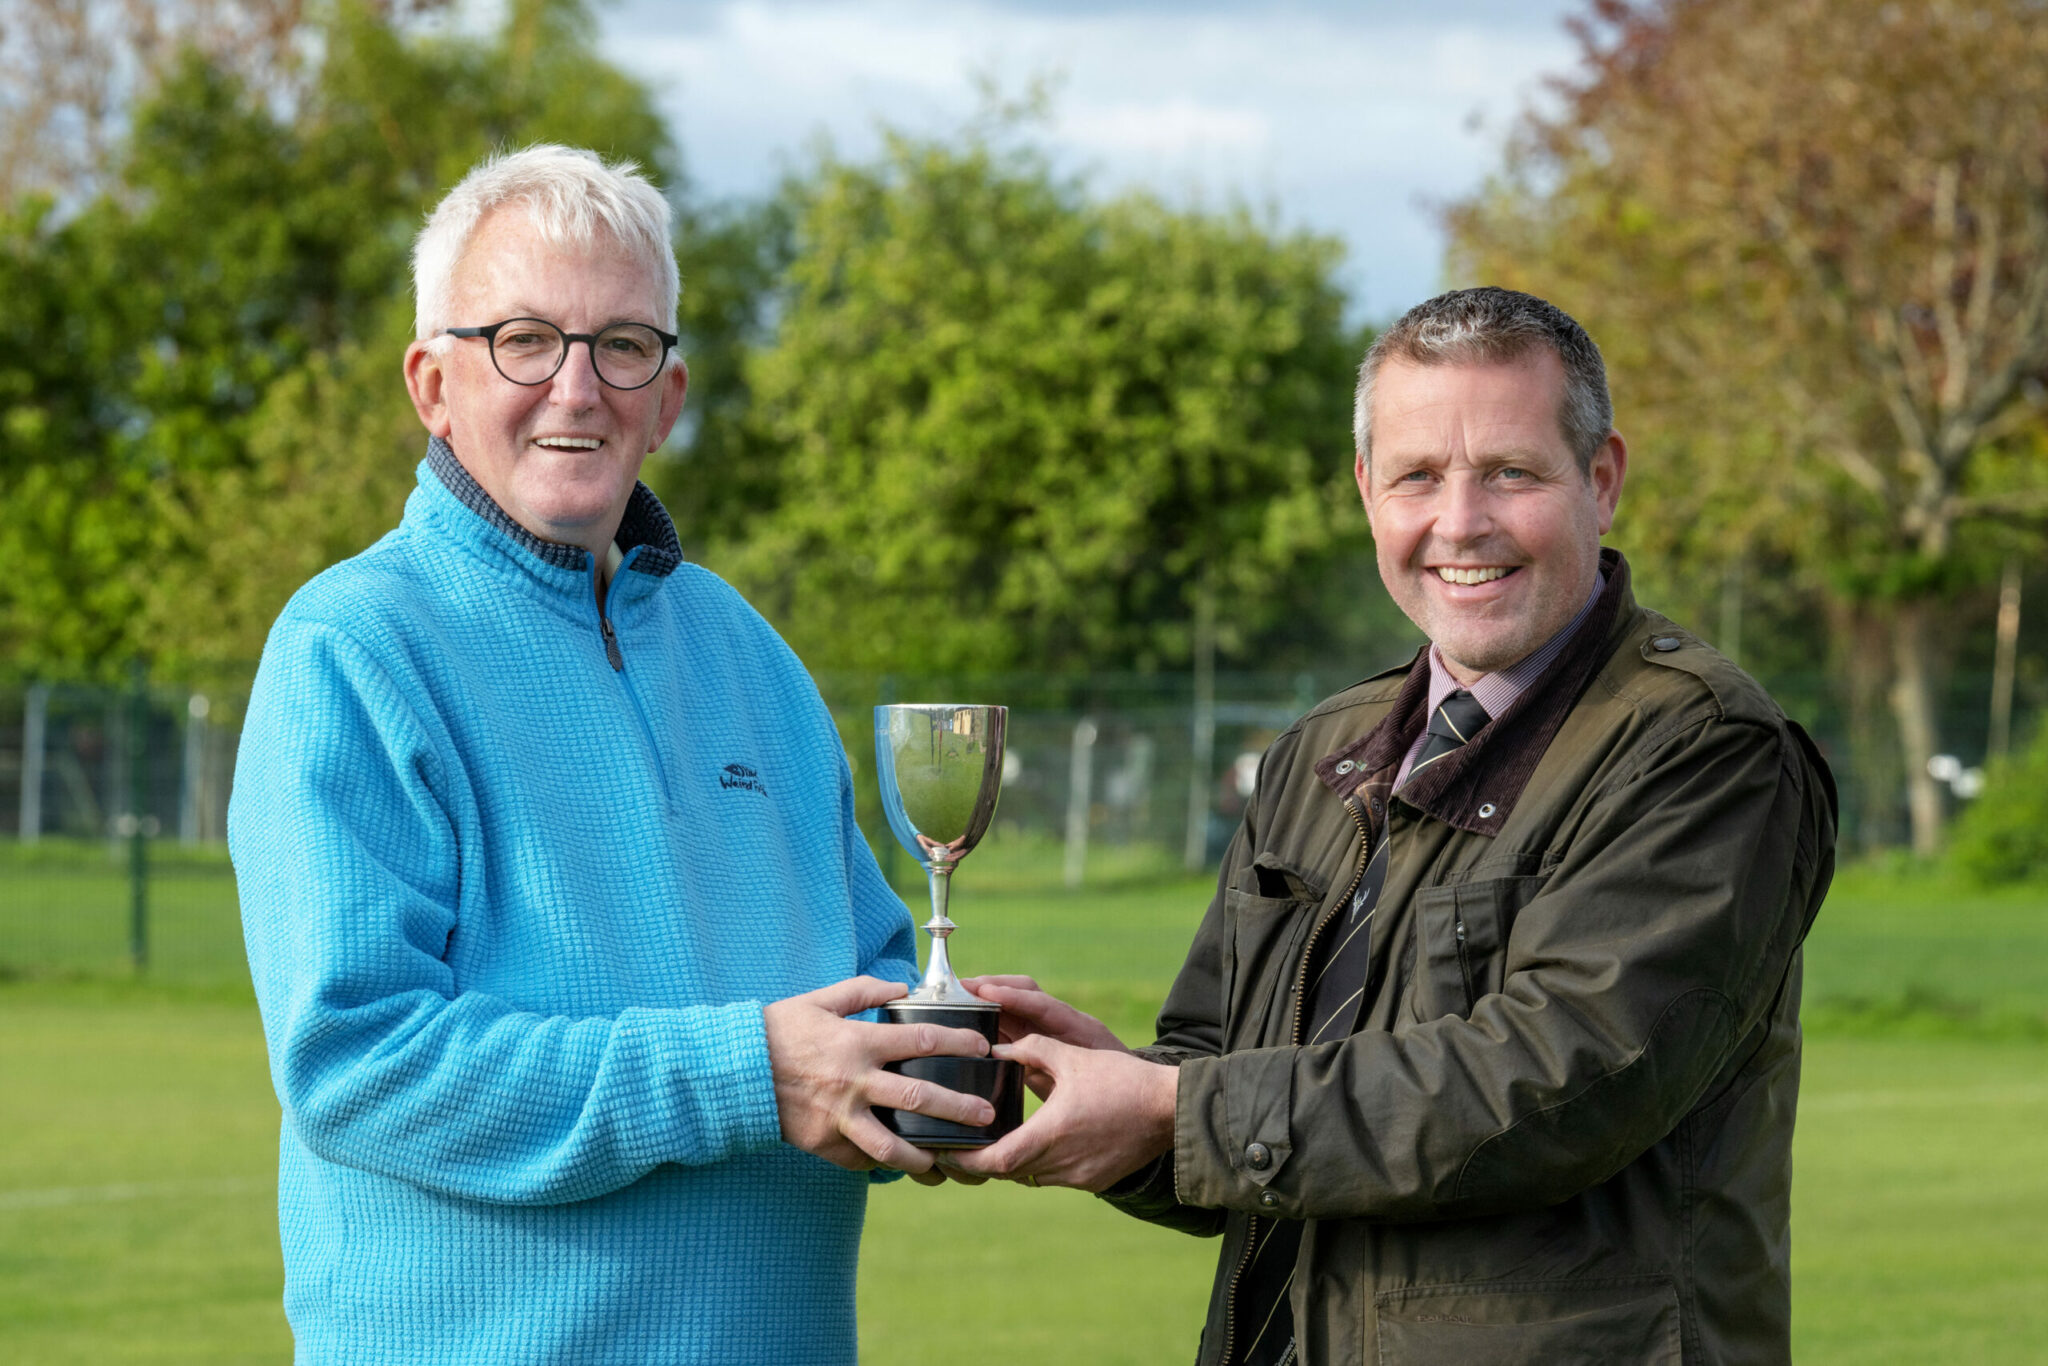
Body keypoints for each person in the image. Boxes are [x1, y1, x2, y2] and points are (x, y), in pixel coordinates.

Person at [953, 286, 1837, 1365]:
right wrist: (1109, 1089)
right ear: (1367, 489)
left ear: (1600, 481)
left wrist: (1176, 1108)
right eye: (1418, 476)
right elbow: (1224, 1081)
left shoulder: (1702, 746)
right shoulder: (1320, 751)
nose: (1458, 523)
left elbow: (1560, 1080)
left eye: (1509, 472)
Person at [228, 144, 992, 1366]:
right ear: (432, 382)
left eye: (621, 345)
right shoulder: (355, 647)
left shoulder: (748, 652)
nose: (576, 389)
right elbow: (357, 1063)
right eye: (524, 340)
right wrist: (748, 1075)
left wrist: (946, 1057)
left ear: (668, 397)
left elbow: (866, 976)